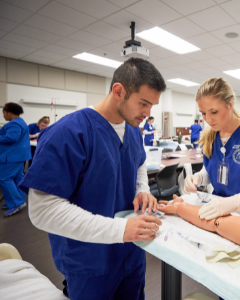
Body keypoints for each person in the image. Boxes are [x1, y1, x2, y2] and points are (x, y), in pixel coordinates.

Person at [18, 58, 166, 300]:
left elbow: (139, 161)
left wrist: (142, 188)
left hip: (132, 251)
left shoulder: (133, 131)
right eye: (143, 103)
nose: (148, 114)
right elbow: (43, 210)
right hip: (90, 260)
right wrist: (120, 229)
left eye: (152, 106)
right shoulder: (68, 132)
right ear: (119, 91)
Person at [183, 78, 240, 220]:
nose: (207, 119)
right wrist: (198, 178)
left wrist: (236, 202)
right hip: (222, 213)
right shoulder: (210, 137)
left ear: (230, 104)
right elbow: (211, 171)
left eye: (213, 112)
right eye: (203, 113)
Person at [0, 103, 31, 217]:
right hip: (19, 155)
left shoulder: (14, 124)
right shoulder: (20, 121)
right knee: (18, 178)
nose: (3, 116)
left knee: (4, 178)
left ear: (10, 112)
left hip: (12, 156)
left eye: (4, 113)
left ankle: (16, 203)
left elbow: (11, 138)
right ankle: (15, 201)